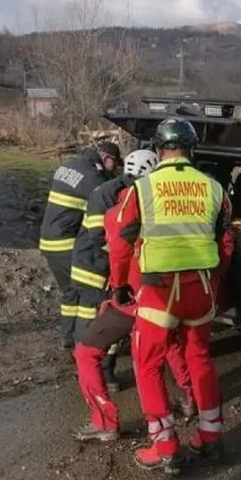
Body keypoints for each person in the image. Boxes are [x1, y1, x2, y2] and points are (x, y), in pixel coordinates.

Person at [108, 118, 235, 474]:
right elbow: (226, 242)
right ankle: (211, 436)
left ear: (159, 149)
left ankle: (164, 445)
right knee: (200, 357)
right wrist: (215, 279)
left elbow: (121, 244)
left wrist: (119, 284)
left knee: (147, 363)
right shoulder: (214, 189)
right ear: (191, 149)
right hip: (201, 290)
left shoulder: (143, 189)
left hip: (159, 291)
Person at [73, 149, 199, 443]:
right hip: (164, 295)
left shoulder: (119, 209)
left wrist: (118, 289)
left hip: (131, 300)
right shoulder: (173, 208)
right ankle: (190, 400)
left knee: (86, 353)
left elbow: (116, 251)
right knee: (169, 346)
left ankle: (106, 422)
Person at [70, 149, 159, 390]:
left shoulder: (119, 188)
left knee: (100, 317)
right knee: (97, 319)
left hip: (101, 265)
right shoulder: (112, 193)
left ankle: (96, 371)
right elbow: (101, 237)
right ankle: (98, 373)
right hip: (94, 266)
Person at [39, 141, 122, 349]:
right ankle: (83, 340)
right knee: (85, 292)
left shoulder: (70, 164)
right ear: (106, 159)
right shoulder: (93, 177)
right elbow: (107, 203)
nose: (115, 169)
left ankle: (68, 338)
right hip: (65, 242)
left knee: (70, 292)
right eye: (115, 164)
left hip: (48, 240)